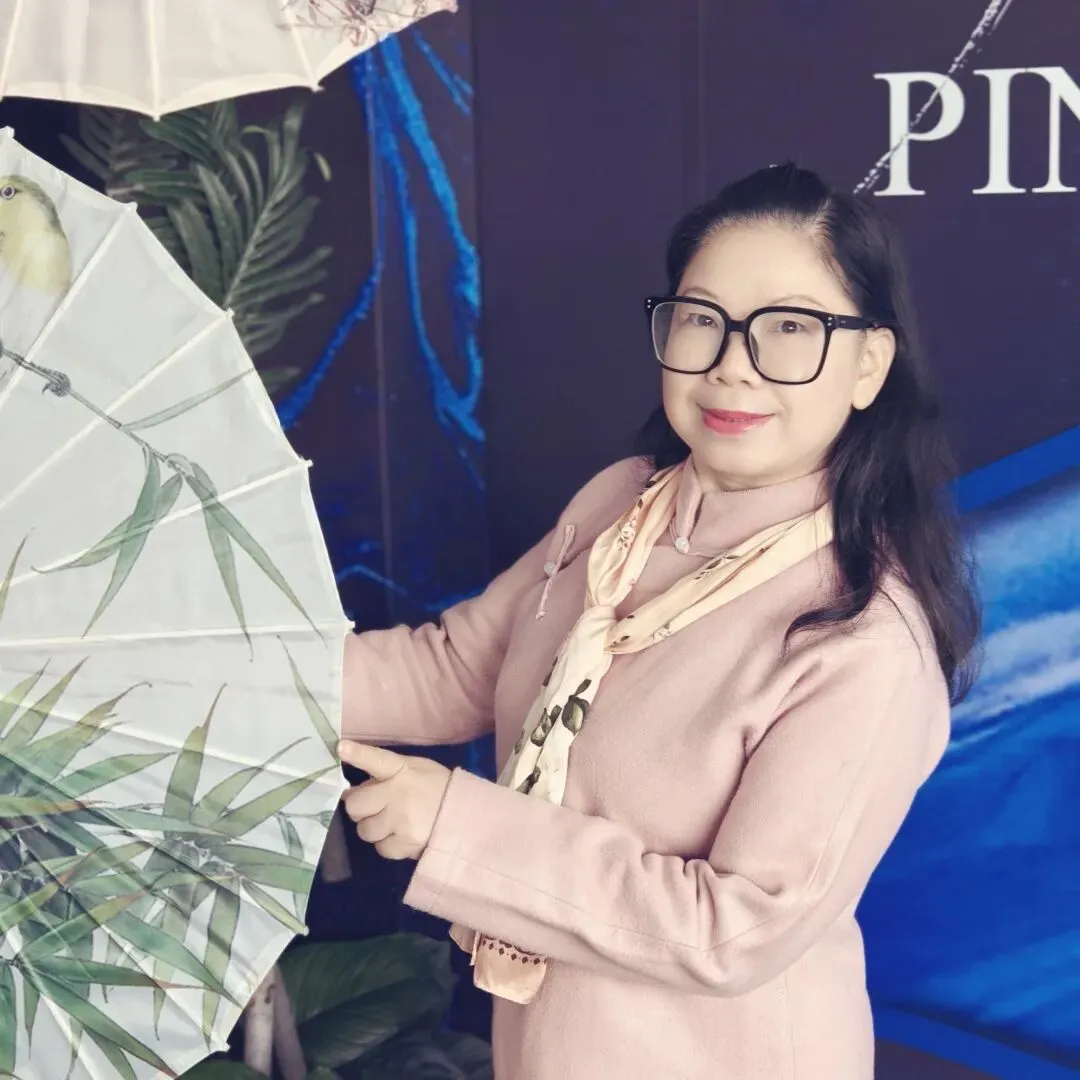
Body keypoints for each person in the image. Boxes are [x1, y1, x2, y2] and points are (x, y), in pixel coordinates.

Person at [335, 163, 981, 1080]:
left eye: (789, 328)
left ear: (869, 365)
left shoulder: (866, 638)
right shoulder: (622, 503)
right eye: (702, 318)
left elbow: (734, 929)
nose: (732, 364)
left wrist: (455, 826)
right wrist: (223, 679)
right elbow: (457, 668)